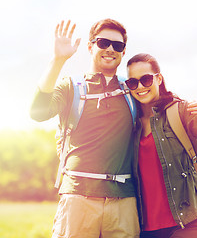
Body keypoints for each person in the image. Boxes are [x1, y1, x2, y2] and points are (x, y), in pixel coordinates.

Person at [30, 19, 140, 238]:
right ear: (90, 46)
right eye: (103, 42)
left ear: (123, 51)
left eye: (117, 46)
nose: (110, 49)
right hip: (78, 197)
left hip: (123, 200)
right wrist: (58, 60)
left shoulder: (133, 90)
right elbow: (38, 112)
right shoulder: (71, 86)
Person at [125, 51, 197, 238]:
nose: (140, 87)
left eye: (145, 79)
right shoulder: (130, 123)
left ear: (158, 78)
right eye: (132, 82)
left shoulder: (180, 111)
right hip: (145, 227)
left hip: (187, 221)